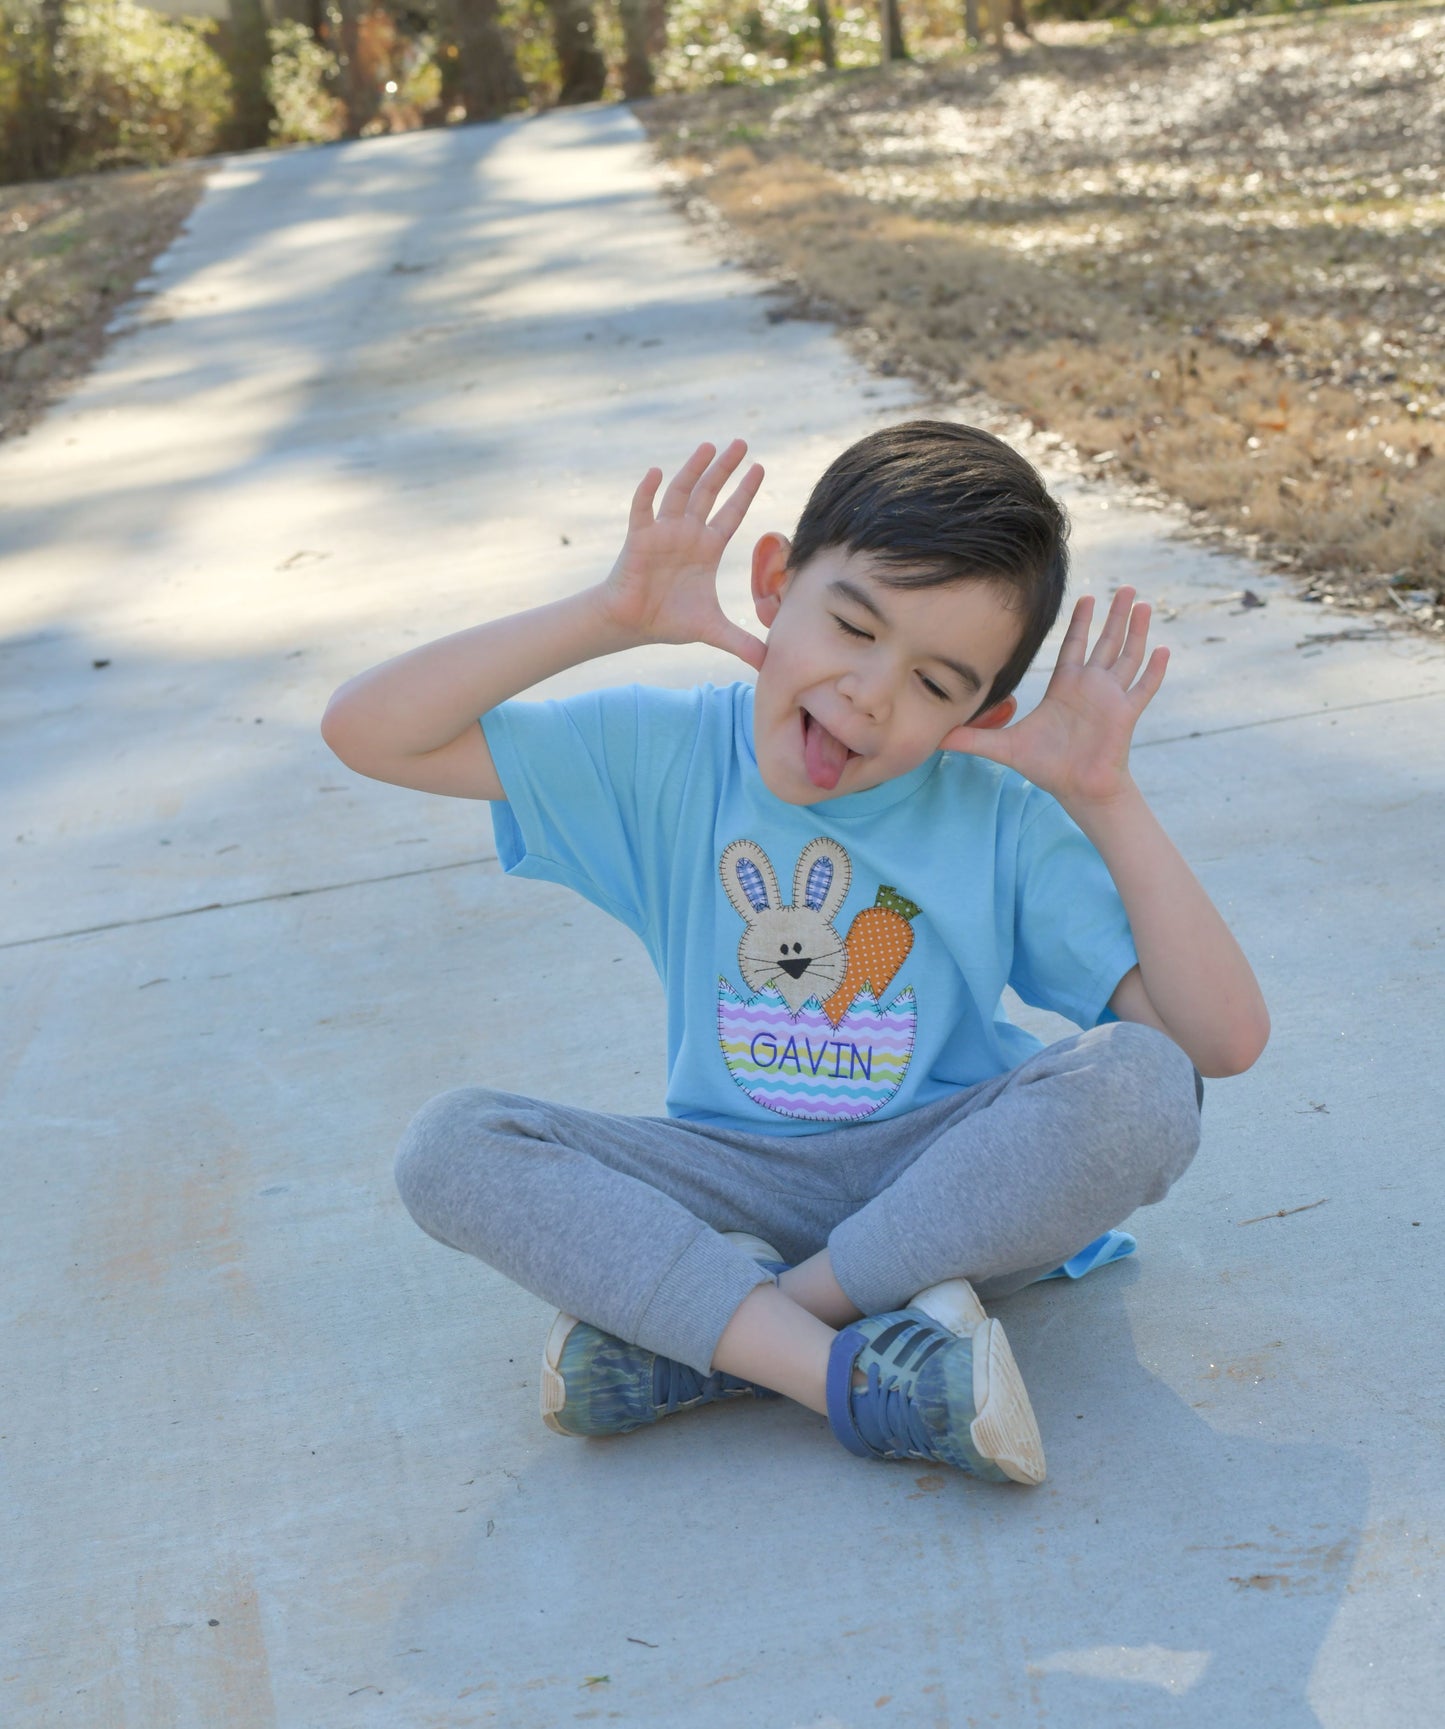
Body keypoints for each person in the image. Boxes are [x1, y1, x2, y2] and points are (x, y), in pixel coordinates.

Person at [320, 421, 1268, 1486]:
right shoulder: (665, 752)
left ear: (983, 712)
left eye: (933, 684)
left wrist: (1104, 794)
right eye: (853, 625)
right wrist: (606, 614)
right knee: (453, 1145)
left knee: (1143, 1079)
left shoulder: (991, 813)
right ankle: (854, 1375)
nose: (869, 691)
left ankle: (729, 1331)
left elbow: (1215, 1042)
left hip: (942, 1183)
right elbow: (369, 731)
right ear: (774, 580)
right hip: (730, 1178)